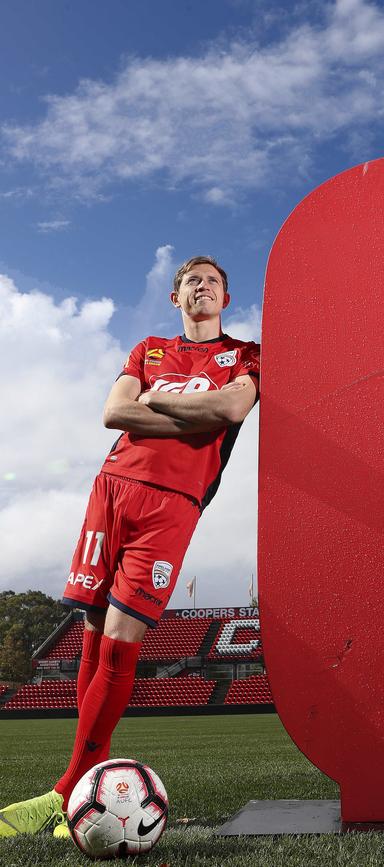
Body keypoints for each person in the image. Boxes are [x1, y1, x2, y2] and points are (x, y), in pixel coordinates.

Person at [0, 255, 260, 838]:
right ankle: (79, 792)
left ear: (226, 296)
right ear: (176, 298)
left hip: (174, 502)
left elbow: (232, 408)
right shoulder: (148, 348)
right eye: (191, 280)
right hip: (111, 490)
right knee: (93, 631)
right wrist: (192, 417)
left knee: (122, 638)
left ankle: (66, 792)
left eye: (212, 281)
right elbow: (114, 412)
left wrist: (155, 406)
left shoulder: (245, 355)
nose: (201, 286)